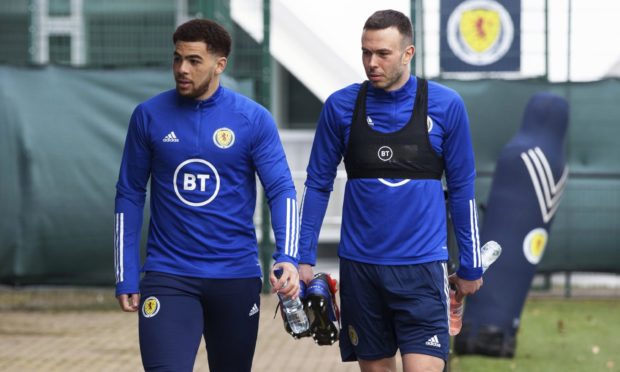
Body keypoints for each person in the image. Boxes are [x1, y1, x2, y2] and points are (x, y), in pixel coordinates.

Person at [297, 9, 483, 372]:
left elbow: (462, 189)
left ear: (408, 53)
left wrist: (471, 265)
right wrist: (303, 258)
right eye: (366, 52)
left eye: (382, 53)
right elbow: (318, 185)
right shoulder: (340, 107)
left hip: (423, 269)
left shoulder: (446, 106)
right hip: (361, 272)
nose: (371, 62)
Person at [113, 18, 300, 372]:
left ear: (219, 64)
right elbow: (129, 194)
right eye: (177, 58)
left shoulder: (253, 119)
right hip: (169, 274)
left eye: (194, 60)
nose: (182, 69)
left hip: (235, 276)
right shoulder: (148, 116)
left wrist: (288, 256)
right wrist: (126, 273)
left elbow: (281, 189)